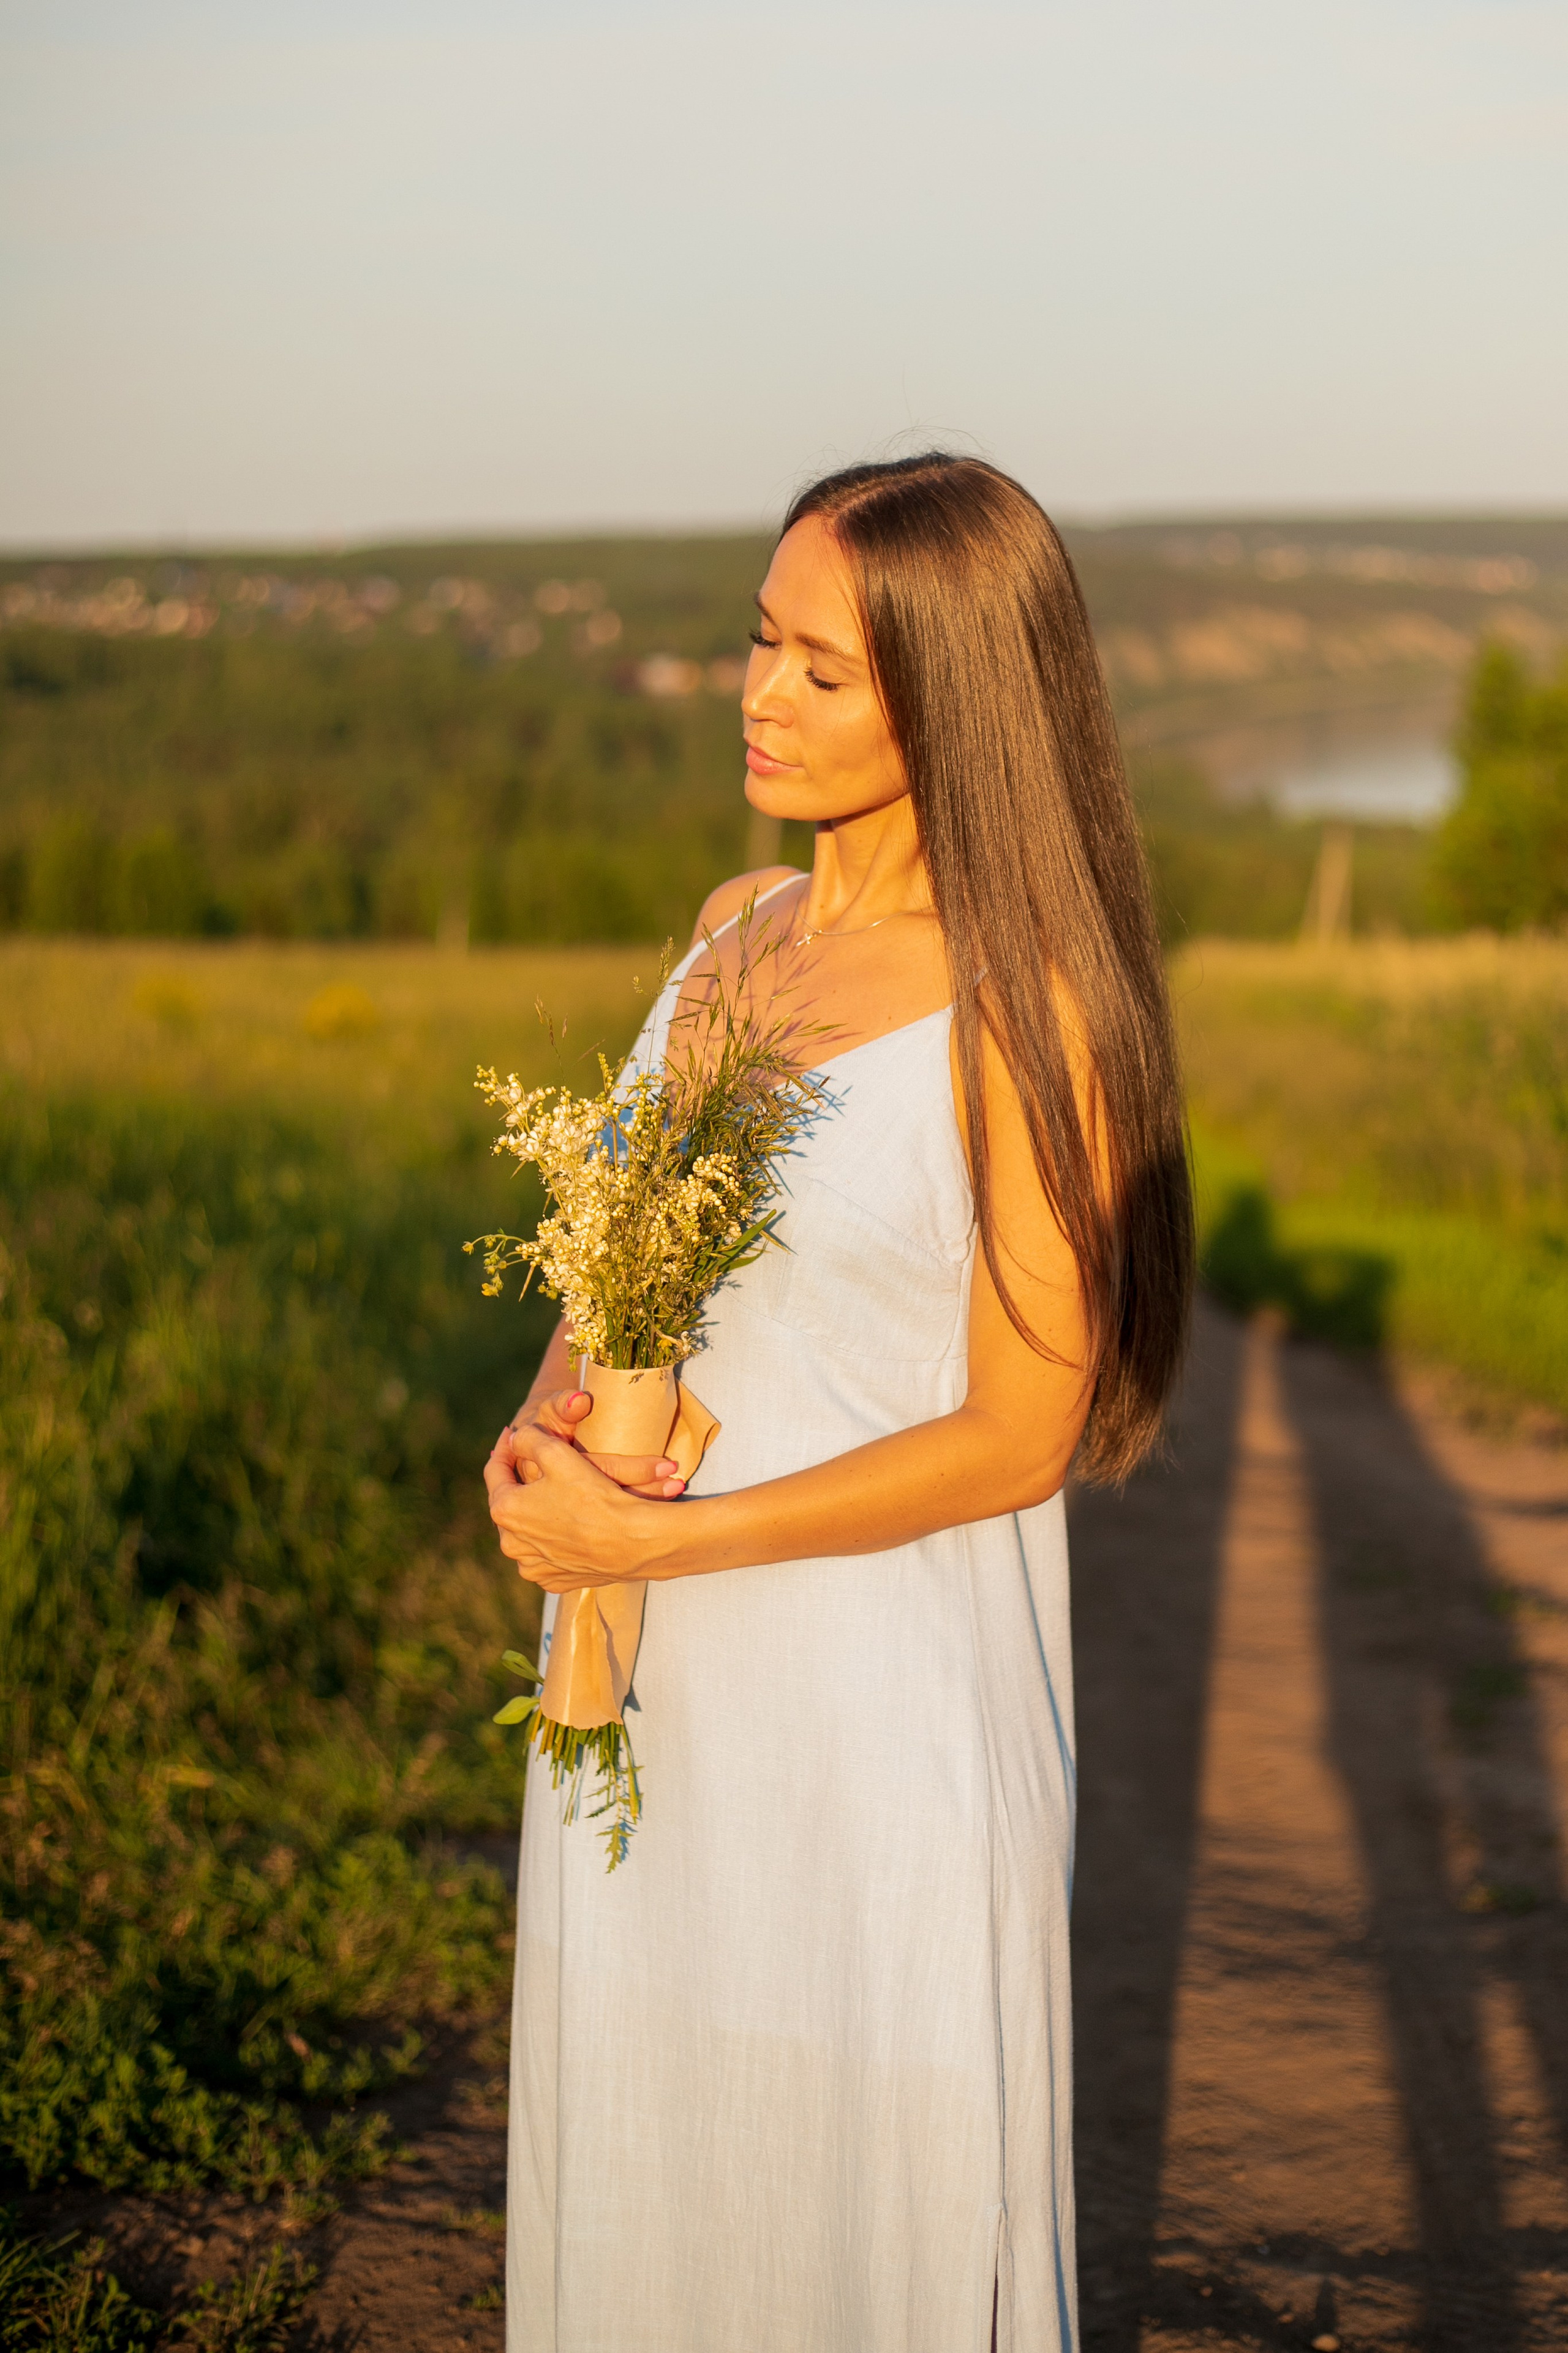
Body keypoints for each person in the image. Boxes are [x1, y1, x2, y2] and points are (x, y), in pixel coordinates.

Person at [484, 453, 1194, 2353]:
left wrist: (671, 1534)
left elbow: (1022, 1433)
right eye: (756, 642)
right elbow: (612, 1269)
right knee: (652, 2145)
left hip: (878, 1714)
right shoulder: (729, 932)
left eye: (820, 668)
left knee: (855, 2184)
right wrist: (549, 1418)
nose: (758, 694)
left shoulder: (1031, 1004)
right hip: (647, 1668)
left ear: (951, 698)